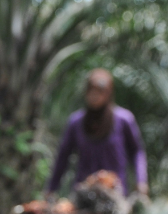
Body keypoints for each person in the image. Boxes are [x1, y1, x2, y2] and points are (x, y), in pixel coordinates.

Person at [47, 68, 148, 199]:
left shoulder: (123, 120)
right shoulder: (76, 122)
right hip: (83, 194)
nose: (94, 95)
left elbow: (136, 151)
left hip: (115, 194)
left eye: (99, 92)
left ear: (108, 93)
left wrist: (141, 181)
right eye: (91, 91)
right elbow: (63, 156)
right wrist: (51, 189)